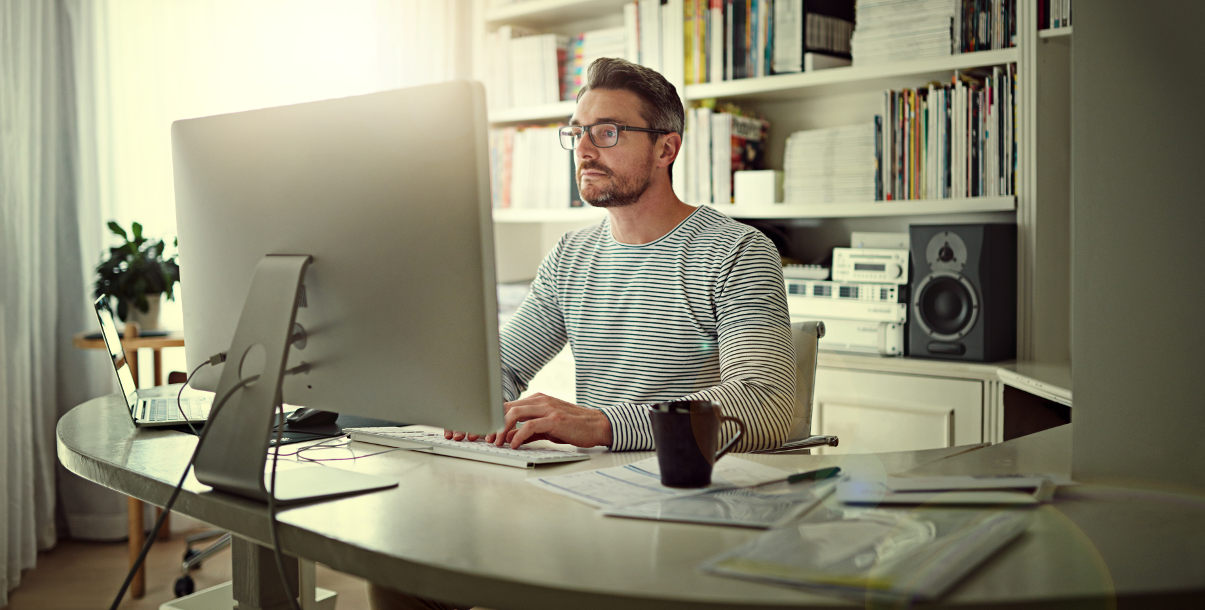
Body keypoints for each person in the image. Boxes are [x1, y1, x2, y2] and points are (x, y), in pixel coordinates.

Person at [371, 57, 795, 609]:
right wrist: (471, 402)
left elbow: (765, 404)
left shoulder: (736, 250)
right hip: (586, 496)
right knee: (405, 567)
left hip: (684, 511)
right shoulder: (571, 256)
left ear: (666, 149)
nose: (586, 151)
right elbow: (498, 366)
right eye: (577, 135)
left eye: (608, 133)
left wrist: (600, 424)